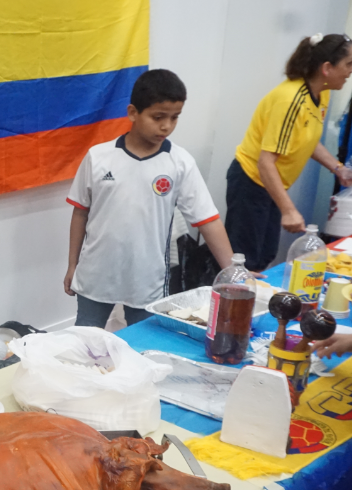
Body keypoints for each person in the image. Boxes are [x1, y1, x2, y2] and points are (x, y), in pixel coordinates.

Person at [63, 69, 234, 328]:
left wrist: (233, 272)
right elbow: (80, 213)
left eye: (175, 117)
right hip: (96, 274)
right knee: (85, 340)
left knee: (144, 342)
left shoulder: (180, 162)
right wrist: (72, 264)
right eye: (158, 117)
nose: (166, 126)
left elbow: (207, 220)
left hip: (147, 279)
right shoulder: (98, 157)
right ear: (133, 112)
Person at [226, 33, 352, 272]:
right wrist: (289, 210)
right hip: (251, 182)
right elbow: (265, 162)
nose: (350, 72)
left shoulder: (322, 92)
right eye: (348, 64)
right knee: (245, 261)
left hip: (272, 184)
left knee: (265, 255)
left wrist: (338, 169)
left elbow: (307, 140)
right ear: (327, 68)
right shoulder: (291, 100)